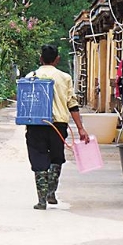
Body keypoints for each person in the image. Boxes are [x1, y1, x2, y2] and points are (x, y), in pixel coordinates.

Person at [26, 44, 90, 210]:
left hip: (36, 125)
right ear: (57, 60)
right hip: (58, 125)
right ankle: (51, 192)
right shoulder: (65, 78)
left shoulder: (30, 76)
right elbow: (72, 104)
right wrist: (81, 129)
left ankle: (41, 200)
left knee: (38, 159)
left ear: (40, 59)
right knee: (56, 157)